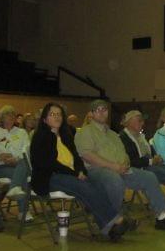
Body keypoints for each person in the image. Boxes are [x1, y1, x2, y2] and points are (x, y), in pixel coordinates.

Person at [74, 99, 165, 231]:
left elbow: (124, 153)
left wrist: (124, 163)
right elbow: (87, 155)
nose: (102, 113)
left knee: (149, 176)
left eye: (105, 109)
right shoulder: (85, 132)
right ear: (91, 113)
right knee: (115, 181)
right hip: (96, 170)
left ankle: (162, 217)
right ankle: (113, 222)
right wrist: (113, 166)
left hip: (120, 169)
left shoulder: (113, 134)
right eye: (98, 110)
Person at [30, 102, 129, 241]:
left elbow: (77, 158)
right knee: (82, 186)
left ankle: (108, 228)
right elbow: (49, 164)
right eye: (52, 114)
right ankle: (117, 220)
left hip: (70, 175)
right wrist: (75, 173)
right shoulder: (40, 137)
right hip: (49, 177)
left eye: (59, 114)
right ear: (45, 119)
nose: (57, 117)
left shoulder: (66, 135)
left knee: (96, 185)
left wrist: (80, 170)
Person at [0, 105, 33, 221]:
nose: (10, 117)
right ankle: (23, 211)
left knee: (22, 165)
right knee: (22, 172)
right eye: (7, 115)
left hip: (18, 164)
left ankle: (14, 187)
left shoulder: (22, 133)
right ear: (1, 118)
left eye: (12, 115)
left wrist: (15, 158)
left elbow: (26, 150)